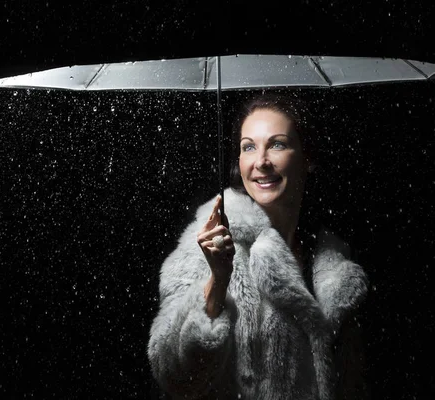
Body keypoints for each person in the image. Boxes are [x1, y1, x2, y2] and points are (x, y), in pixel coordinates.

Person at [148, 93, 369, 400]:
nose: (261, 162)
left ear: (308, 158)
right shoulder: (209, 244)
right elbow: (173, 376)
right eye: (248, 146)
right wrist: (217, 283)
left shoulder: (335, 263)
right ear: (239, 162)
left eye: (277, 144)